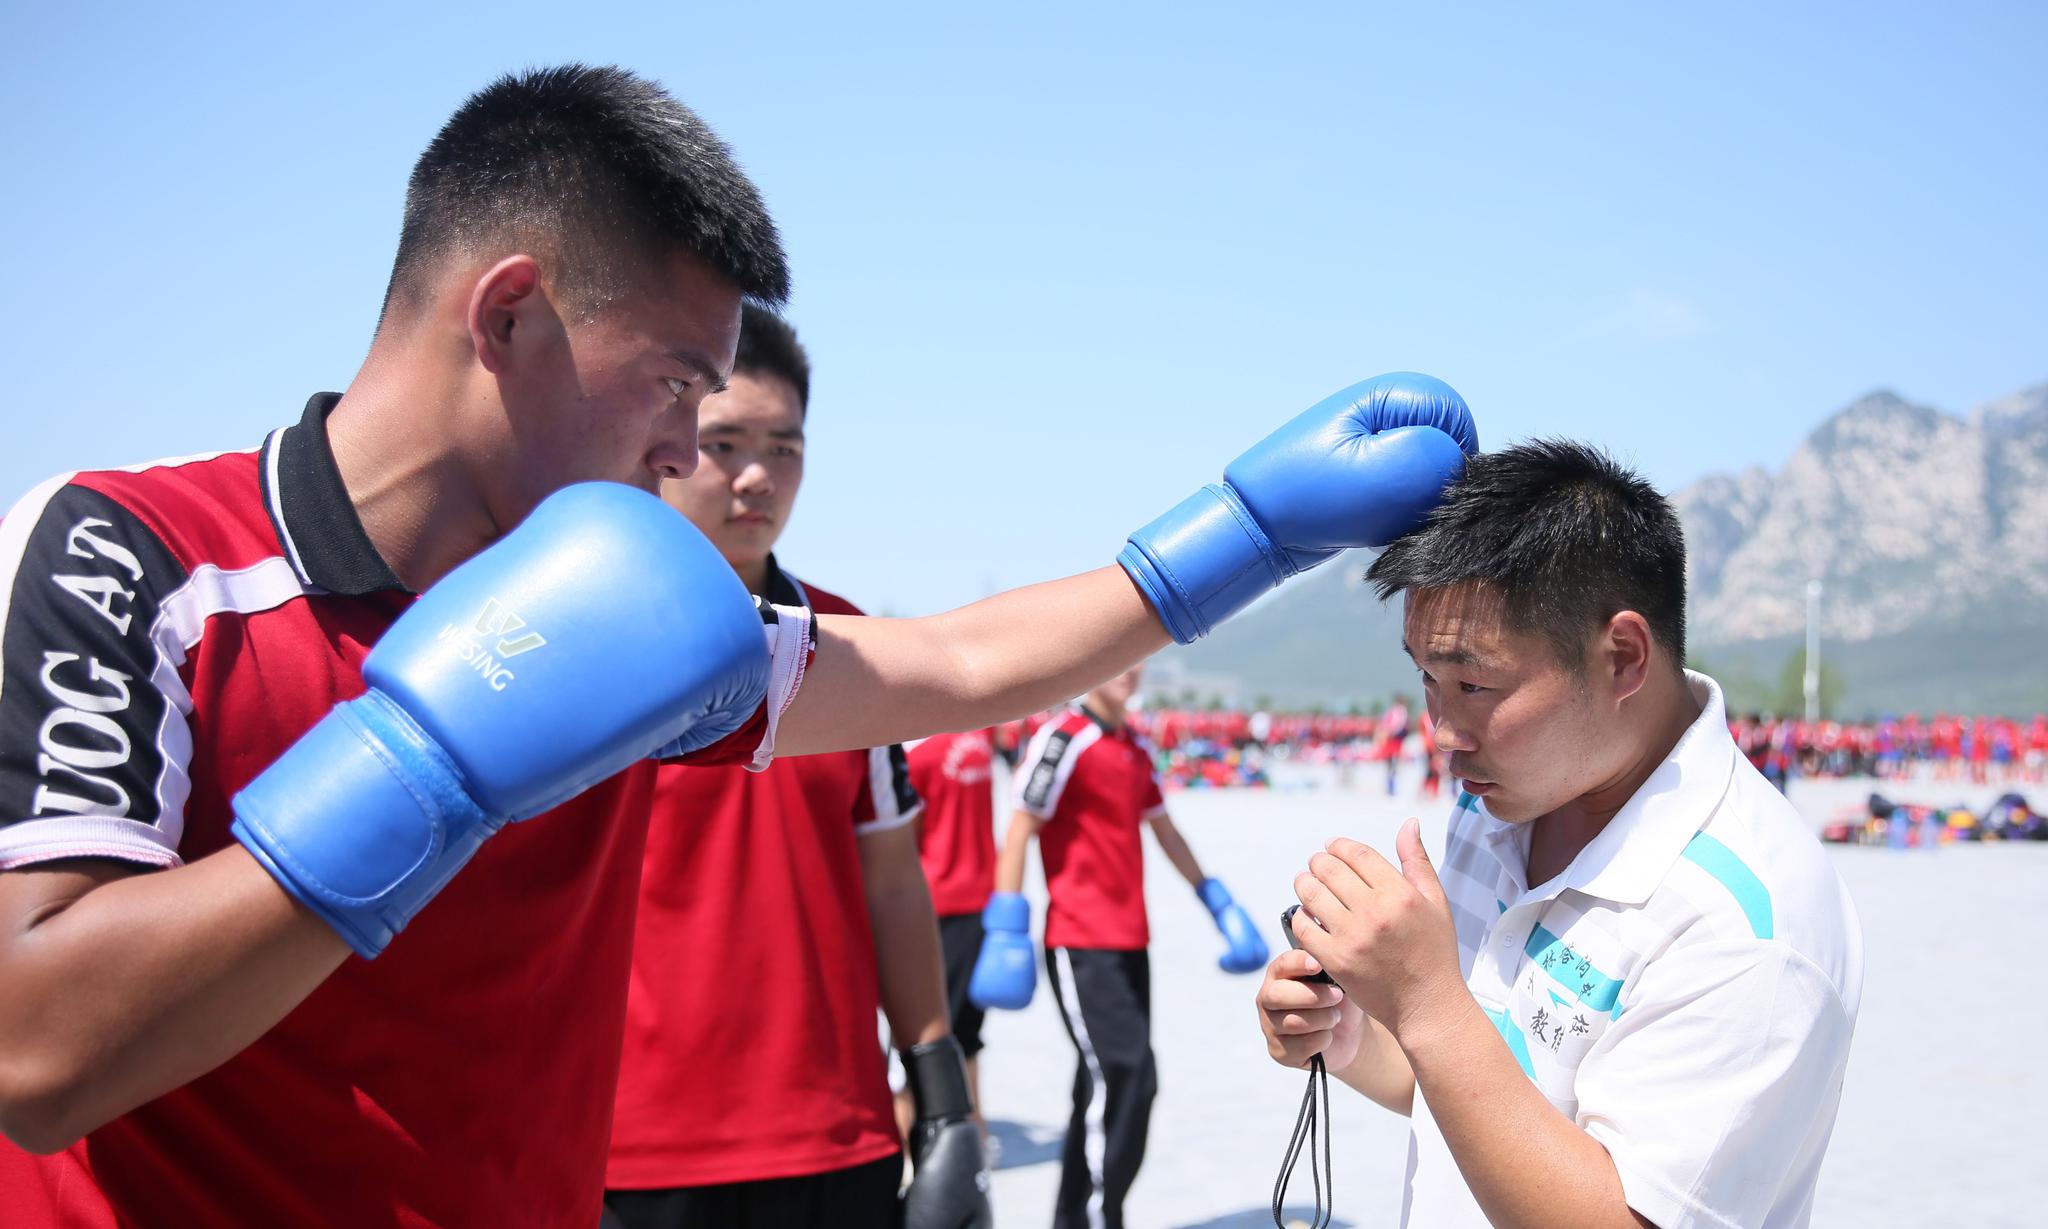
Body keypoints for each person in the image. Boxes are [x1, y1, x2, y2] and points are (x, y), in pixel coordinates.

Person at [0, 64, 1478, 1227]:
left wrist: (1245, 531)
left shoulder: (631, 622)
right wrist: (422, 764)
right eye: (672, 382)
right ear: (509, 313)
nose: (686, 440)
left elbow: (951, 666)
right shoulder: (135, 554)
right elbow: (35, 1053)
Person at [1255, 440, 1863, 1228]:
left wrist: (1426, 999)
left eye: (1475, 684)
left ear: (1622, 657)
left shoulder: (1749, 922)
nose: (1442, 730)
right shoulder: (1495, 807)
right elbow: (1487, 1091)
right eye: (1425, 679)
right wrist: (1346, 1035)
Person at [602, 307, 985, 1228]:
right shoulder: (586, 633)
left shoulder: (851, 648)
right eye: (723, 442)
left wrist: (941, 1100)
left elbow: (894, 883)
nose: (756, 477)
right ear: (663, 441)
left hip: (838, 1139)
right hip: (630, 1149)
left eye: (785, 446)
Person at [971, 663, 1269, 1229]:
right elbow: (1019, 829)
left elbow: (1165, 829)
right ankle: (1096, 1218)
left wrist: (1218, 902)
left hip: (1131, 939)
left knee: (1102, 1086)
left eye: (1140, 661)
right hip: (1079, 943)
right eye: (1119, 660)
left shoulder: (1131, 744)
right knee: (1128, 1075)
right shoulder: (1063, 738)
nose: (1131, 671)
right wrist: (1006, 927)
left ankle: (1078, 1218)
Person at [901, 723, 1001, 1149]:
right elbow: (901, 842)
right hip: (936, 906)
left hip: (980, 902)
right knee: (927, 1033)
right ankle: (909, 1134)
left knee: (966, 1029)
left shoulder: (984, 725)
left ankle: (973, 1126)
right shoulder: (914, 749)